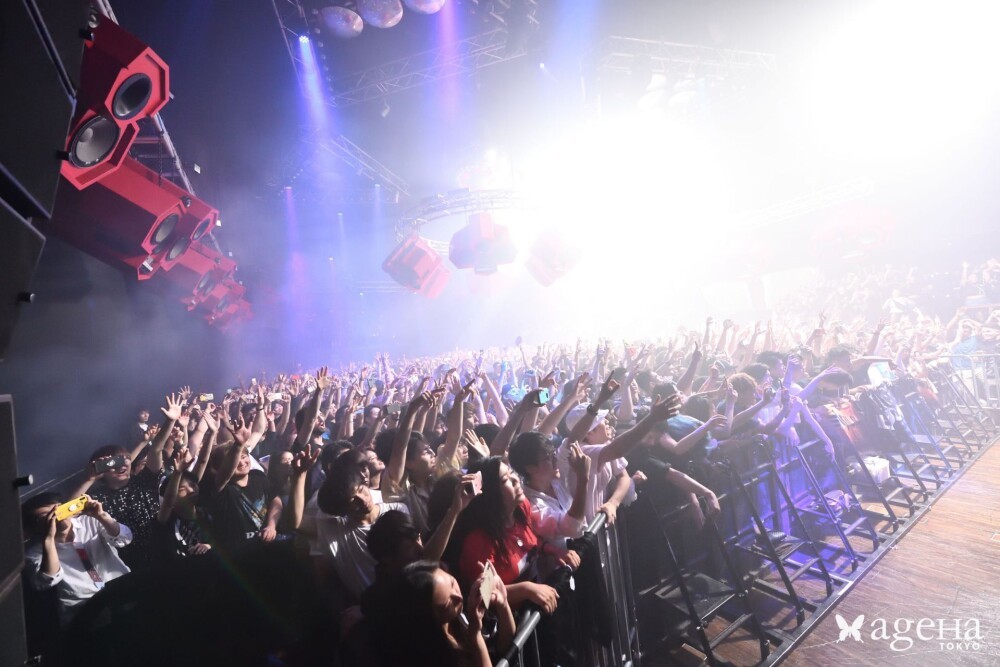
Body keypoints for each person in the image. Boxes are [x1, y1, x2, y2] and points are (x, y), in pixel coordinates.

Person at [367, 561, 515, 667]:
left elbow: (505, 648)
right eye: (447, 604)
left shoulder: (460, 615)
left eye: (452, 583)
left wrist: (503, 605)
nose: (458, 597)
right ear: (426, 619)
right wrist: (475, 633)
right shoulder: (431, 657)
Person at [22, 492, 132, 624]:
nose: (56, 517)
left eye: (59, 509)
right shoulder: (34, 551)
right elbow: (48, 580)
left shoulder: (90, 521)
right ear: (35, 527)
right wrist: (49, 539)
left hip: (122, 589)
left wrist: (101, 516)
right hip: (84, 610)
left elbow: (124, 539)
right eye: (46, 517)